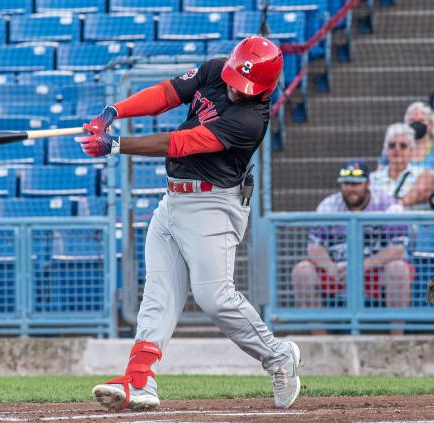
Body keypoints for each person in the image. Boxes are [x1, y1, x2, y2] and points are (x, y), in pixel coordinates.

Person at [75, 36, 301, 411]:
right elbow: (166, 93)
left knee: (215, 297)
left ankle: (278, 356)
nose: (232, 87)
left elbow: (182, 142)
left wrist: (117, 146)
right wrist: (114, 110)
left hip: (212, 206)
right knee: (158, 294)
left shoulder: (250, 120)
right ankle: (140, 379)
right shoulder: (217, 69)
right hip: (174, 199)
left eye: (243, 86)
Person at [290, 160, 412, 317]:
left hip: (376, 269)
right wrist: (330, 267)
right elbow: (314, 246)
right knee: (302, 271)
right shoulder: (328, 205)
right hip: (337, 270)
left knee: (398, 269)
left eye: (356, 183)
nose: (350, 188)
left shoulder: (387, 204)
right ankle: (320, 336)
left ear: (368, 184)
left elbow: (398, 248)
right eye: (346, 183)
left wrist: (360, 267)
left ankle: (398, 339)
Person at [378, 102, 434, 181]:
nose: (416, 124)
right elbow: (380, 173)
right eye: (412, 121)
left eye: (421, 121)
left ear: (430, 124)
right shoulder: (394, 145)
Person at [370, 123, 434, 210]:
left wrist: (393, 205)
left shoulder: (424, 175)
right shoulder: (373, 178)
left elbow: (420, 193)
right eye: (392, 145)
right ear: (386, 150)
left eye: (403, 146)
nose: (397, 149)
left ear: (411, 150)